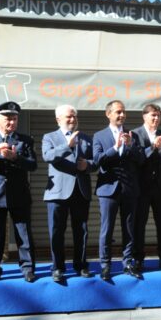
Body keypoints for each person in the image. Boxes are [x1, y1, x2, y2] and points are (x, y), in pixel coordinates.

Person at [0, 101, 38, 285]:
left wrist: (16, 157)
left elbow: (33, 165)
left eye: (15, 118)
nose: (11, 122)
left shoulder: (25, 140)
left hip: (19, 194)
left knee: (24, 234)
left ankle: (27, 269)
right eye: (7, 118)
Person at [93, 100, 145, 281]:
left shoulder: (133, 135)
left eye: (123, 112)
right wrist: (115, 148)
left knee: (129, 228)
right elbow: (98, 160)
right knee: (106, 229)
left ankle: (128, 263)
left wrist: (130, 146)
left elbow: (141, 160)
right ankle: (105, 265)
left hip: (130, 189)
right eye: (118, 112)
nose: (122, 115)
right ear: (108, 114)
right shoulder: (99, 136)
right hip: (108, 189)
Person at [42, 105, 94, 283]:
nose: (72, 120)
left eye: (74, 116)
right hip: (57, 193)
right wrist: (67, 145)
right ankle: (57, 267)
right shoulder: (49, 137)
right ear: (58, 119)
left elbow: (96, 161)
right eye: (68, 117)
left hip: (80, 190)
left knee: (81, 231)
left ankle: (80, 265)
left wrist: (87, 165)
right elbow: (48, 156)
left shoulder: (87, 138)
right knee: (56, 231)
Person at [132, 104, 161, 272]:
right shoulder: (134, 134)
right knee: (139, 224)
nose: (156, 118)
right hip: (141, 187)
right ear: (144, 117)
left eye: (158, 116)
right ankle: (138, 259)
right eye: (153, 115)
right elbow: (137, 158)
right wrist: (153, 147)